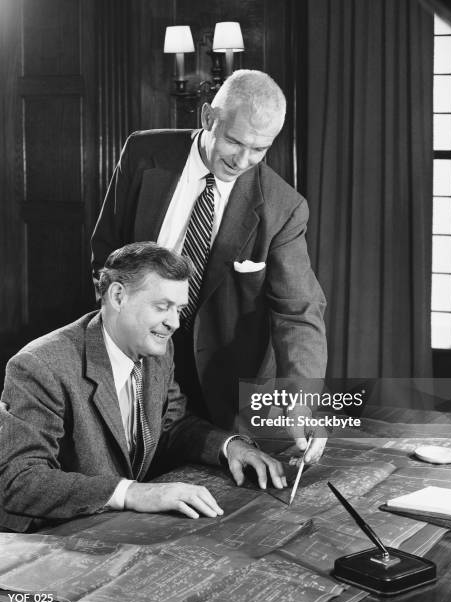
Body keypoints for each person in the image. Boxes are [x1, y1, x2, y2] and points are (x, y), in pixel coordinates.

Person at [91, 69, 328, 463]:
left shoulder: (284, 207)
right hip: (134, 359)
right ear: (207, 118)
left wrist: (301, 400)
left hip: (222, 385)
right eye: (235, 141)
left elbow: (299, 311)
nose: (243, 160)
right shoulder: (142, 154)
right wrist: (118, 339)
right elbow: (106, 256)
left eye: (259, 150)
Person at [0, 243, 286, 533]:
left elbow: (174, 425)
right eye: (162, 307)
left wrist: (230, 446)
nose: (174, 323)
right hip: (46, 537)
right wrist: (135, 493)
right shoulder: (40, 365)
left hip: (113, 529)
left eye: (179, 309)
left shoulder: (157, 349)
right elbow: (20, 480)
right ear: (118, 296)